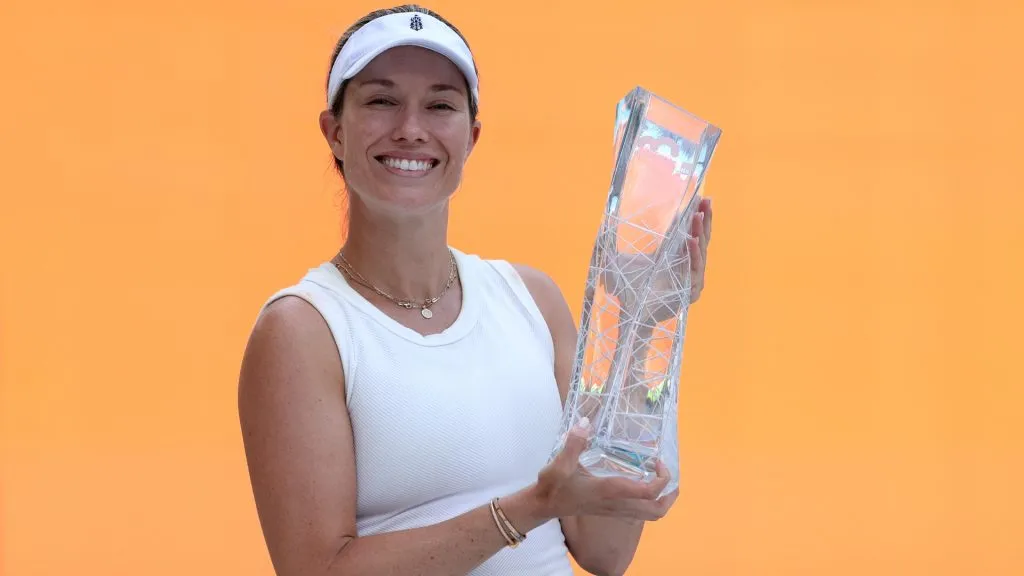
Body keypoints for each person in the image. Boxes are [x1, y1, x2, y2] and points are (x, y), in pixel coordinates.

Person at [237, 4, 714, 576]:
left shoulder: (532, 300)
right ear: (334, 131)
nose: (411, 128)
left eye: (440, 104)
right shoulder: (303, 330)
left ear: (472, 136)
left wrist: (645, 322)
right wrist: (533, 506)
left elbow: (605, 551)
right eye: (382, 100)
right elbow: (317, 570)